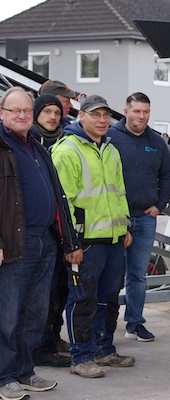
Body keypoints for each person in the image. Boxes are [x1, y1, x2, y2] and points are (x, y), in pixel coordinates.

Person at [0, 87, 82, 400]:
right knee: (8, 316)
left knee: (35, 315)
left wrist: (68, 240)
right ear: (2, 114)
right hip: (14, 244)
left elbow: (58, 196)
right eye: (14, 111)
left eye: (26, 111)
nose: (22, 116)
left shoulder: (36, 145)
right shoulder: (2, 145)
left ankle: (24, 371)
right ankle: (4, 376)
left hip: (45, 241)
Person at [51, 94, 135, 379]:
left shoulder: (110, 150)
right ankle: (81, 357)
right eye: (95, 114)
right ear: (81, 116)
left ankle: (103, 349)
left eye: (105, 115)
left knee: (108, 298)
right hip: (84, 243)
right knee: (83, 299)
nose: (102, 120)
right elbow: (62, 203)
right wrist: (71, 244)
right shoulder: (67, 151)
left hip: (112, 239)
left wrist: (125, 227)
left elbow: (119, 192)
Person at [107, 92, 170, 342]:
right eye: (137, 111)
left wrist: (159, 204)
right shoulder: (111, 138)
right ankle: (104, 326)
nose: (142, 116)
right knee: (110, 274)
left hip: (145, 218)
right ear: (126, 111)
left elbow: (169, 175)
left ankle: (135, 323)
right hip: (115, 219)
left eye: (146, 112)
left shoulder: (156, 142)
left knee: (137, 275)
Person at [26, 94, 74, 369]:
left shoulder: (63, 141)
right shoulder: (29, 141)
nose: (53, 116)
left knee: (60, 290)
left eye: (57, 112)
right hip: (38, 231)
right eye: (47, 111)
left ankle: (52, 337)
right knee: (40, 294)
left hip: (61, 230)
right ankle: (39, 346)